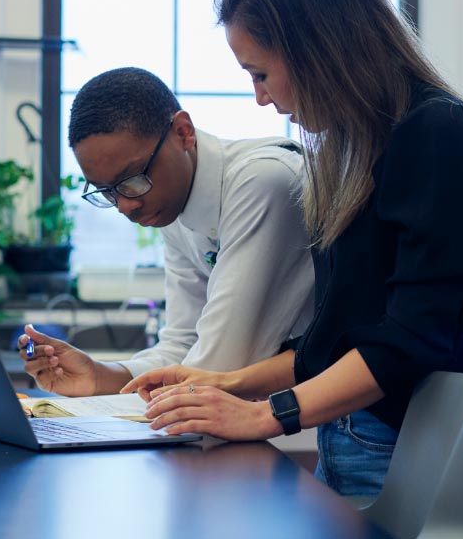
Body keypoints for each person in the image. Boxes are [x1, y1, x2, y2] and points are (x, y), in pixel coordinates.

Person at [122, 0, 463, 497]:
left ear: (317, 52)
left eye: (261, 74)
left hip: (409, 449)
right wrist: (226, 383)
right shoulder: (354, 151)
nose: (260, 98)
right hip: (360, 438)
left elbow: (409, 344)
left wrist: (266, 415)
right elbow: (335, 342)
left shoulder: (439, 137)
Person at [18, 66, 315, 397]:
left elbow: (222, 366)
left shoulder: (264, 181)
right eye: (106, 191)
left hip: (359, 421)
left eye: (131, 179)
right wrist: (103, 377)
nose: (125, 206)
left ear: (183, 132)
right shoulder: (170, 205)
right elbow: (184, 342)